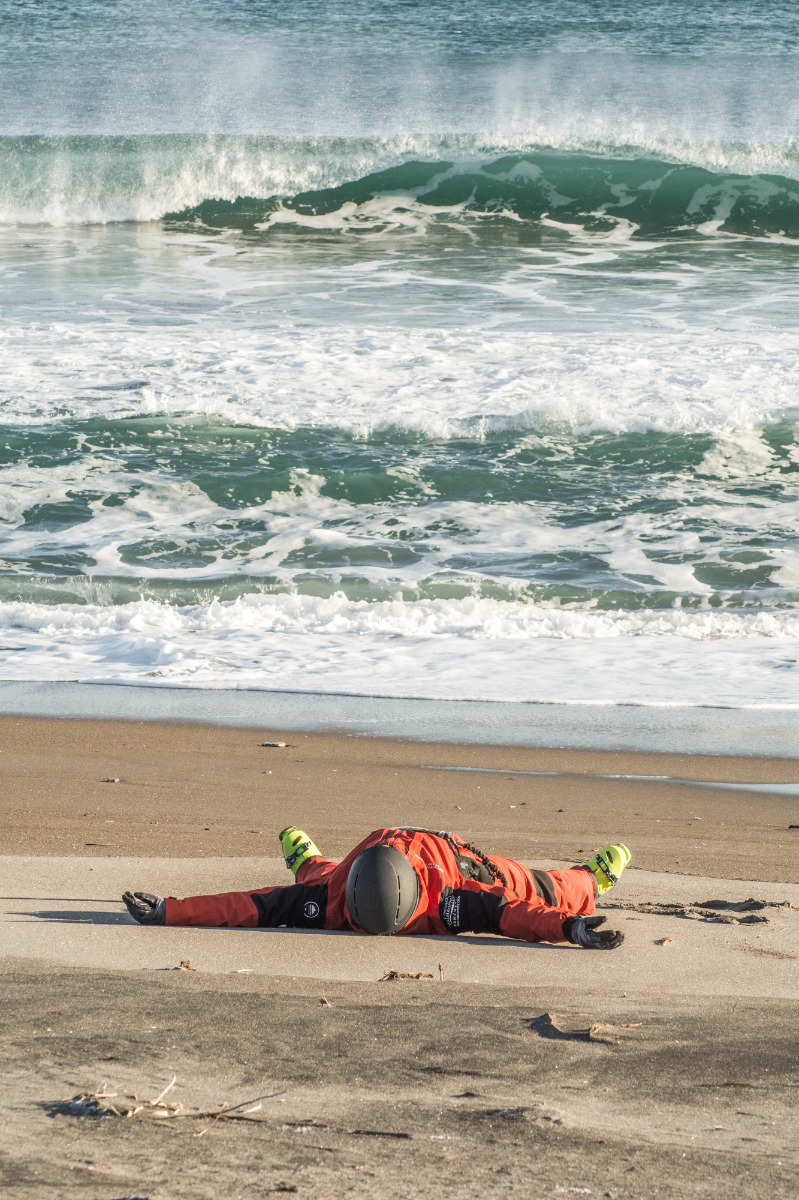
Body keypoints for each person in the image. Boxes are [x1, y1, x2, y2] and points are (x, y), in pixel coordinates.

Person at [123, 826, 630, 949]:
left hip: (447, 858)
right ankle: (310, 861)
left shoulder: (451, 899)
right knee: (315, 882)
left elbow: (513, 914)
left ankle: (590, 879)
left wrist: (570, 927)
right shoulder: (335, 898)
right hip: (358, 865)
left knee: (533, 885)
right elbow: (250, 906)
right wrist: (170, 910)